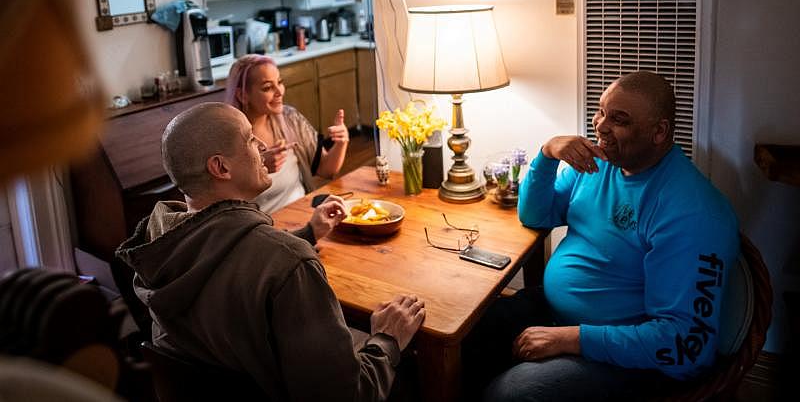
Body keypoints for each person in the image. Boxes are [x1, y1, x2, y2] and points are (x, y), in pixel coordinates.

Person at [115, 102, 425, 401]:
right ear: (221, 167)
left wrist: (308, 233)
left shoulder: (158, 240)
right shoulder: (289, 263)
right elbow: (346, 394)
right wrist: (386, 339)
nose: (262, 146)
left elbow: (224, 253)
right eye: (250, 139)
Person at [470, 71, 740, 401]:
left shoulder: (693, 211)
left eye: (619, 119)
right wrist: (547, 154)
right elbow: (535, 214)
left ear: (659, 132)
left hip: (632, 357)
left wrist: (571, 339)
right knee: (467, 334)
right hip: (561, 317)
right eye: (601, 111)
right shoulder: (600, 165)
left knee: (513, 393)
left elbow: (685, 342)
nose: (600, 125)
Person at [225, 54, 349, 214]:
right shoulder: (227, 137)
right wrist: (260, 168)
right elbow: (224, 202)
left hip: (303, 216)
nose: (279, 92)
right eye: (267, 87)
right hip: (260, 230)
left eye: (280, 82)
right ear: (242, 95)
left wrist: (341, 142)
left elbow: (326, 169)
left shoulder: (290, 118)